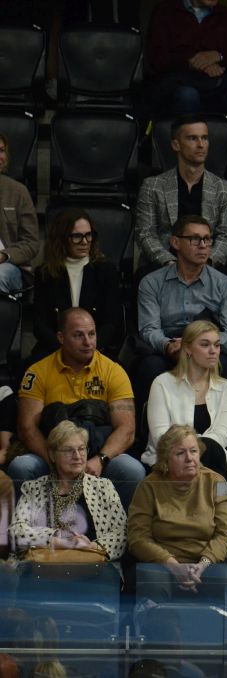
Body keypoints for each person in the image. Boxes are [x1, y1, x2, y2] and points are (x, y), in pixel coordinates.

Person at [13, 309, 144, 508]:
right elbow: (27, 428)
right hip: (52, 455)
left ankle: (120, 528)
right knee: (21, 467)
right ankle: (31, 526)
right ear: (61, 337)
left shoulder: (114, 371)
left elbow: (127, 429)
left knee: (132, 470)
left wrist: (100, 459)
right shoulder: (37, 372)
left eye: (92, 334)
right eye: (78, 335)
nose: (88, 342)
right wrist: (54, 461)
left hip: (98, 455)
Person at [128, 425, 227, 601]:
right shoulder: (147, 485)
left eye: (193, 451)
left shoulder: (221, 482)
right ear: (165, 460)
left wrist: (202, 565)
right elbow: (137, 537)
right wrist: (173, 566)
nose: (189, 458)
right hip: (162, 564)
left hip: (208, 563)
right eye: (180, 453)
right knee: (150, 580)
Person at [136, 215, 227, 399]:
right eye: (195, 239)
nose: (203, 245)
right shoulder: (151, 282)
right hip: (168, 347)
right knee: (149, 367)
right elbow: (149, 329)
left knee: (224, 365)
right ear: (175, 242)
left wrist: (200, 345)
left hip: (208, 348)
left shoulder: (225, 285)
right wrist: (168, 346)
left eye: (207, 239)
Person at [144, 0, 227, 170]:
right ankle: (191, 168)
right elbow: (156, 59)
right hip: (180, 82)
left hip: (219, 84)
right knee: (187, 95)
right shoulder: (165, 12)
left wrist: (218, 56)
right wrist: (193, 62)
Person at [12, 421, 126, 562]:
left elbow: (122, 532)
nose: (77, 456)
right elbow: (16, 531)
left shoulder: (103, 487)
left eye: (81, 449)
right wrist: (58, 540)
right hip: (44, 566)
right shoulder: (34, 488)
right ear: (52, 455)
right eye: (68, 450)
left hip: (92, 565)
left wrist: (92, 547)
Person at [135, 115, 227, 270]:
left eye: (204, 138)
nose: (201, 145)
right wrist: (170, 263)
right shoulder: (152, 186)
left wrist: (207, 263)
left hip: (209, 265)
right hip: (163, 265)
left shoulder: (225, 189)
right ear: (176, 144)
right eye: (192, 138)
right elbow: (145, 234)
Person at [145, 320, 227, 481]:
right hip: (170, 463)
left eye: (217, 345)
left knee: (213, 449)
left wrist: (195, 449)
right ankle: (220, 495)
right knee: (204, 450)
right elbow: (161, 437)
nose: (213, 351)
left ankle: (224, 496)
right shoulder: (162, 383)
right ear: (187, 348)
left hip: (213, 462)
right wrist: (190, 451)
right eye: (205, 345)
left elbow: (222, 436)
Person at [31, 208, 122, 358]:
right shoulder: (45, 273)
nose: (85, 242)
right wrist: (65, 350)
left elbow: (111, 322)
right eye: (77, 236)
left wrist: (88, 347)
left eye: (88, 235)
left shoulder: (106, 271)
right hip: (54, 349)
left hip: (96, 349)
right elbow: (39, 324)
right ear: (61, 239)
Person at [0, 136, 40, 296]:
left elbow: (31, 243)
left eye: (1, 150)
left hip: (9, 266)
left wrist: (4, 255)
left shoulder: (18, 192)